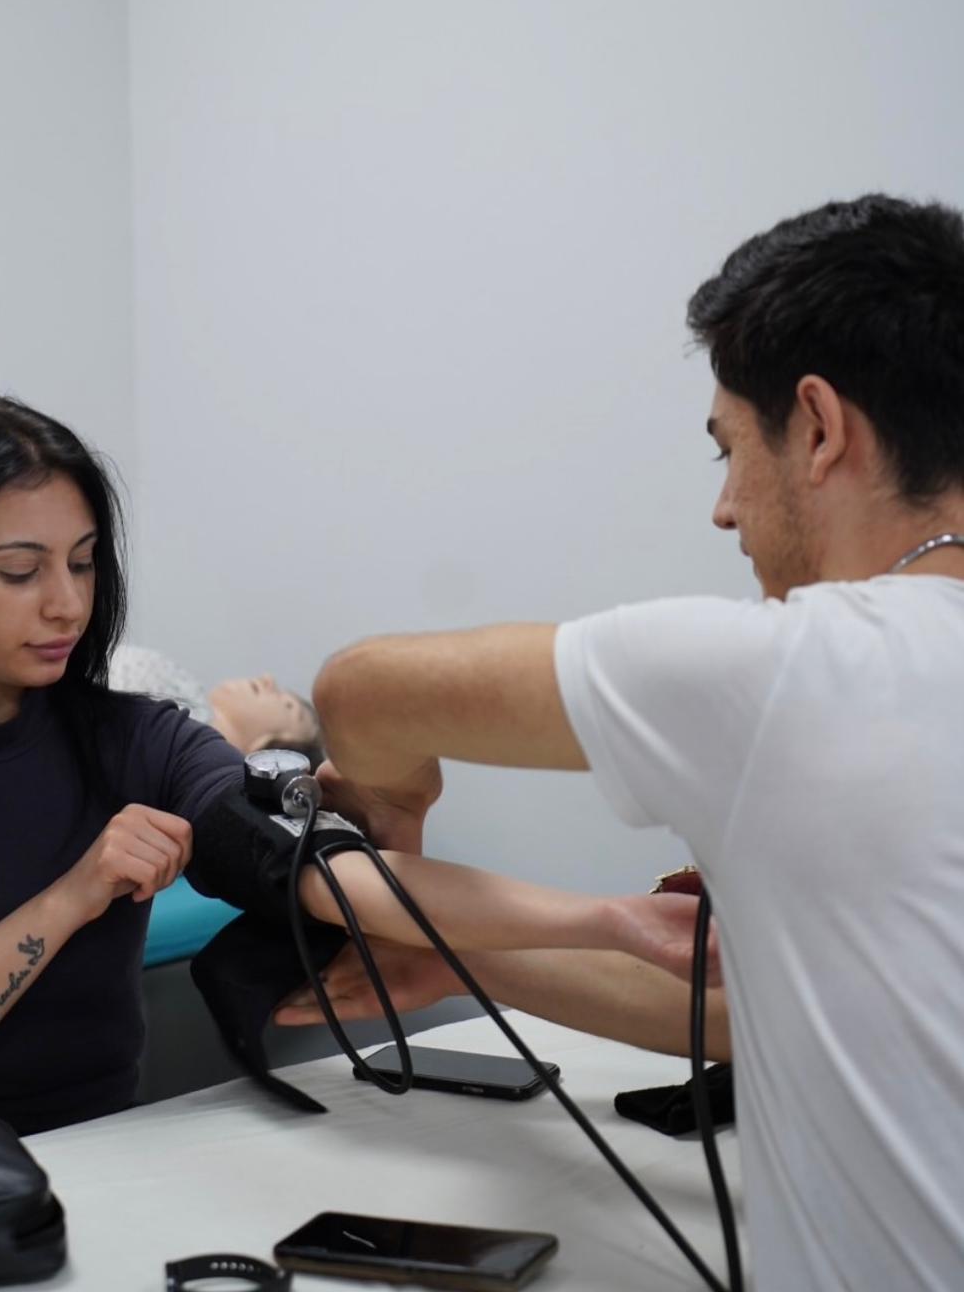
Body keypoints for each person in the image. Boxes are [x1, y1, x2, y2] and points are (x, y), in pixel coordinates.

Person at [0, 395, 704, 1204]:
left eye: (84, 563)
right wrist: (70, 899)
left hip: (95, 1172)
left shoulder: (136, 736)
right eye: (21, 572)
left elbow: (327, 874)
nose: (67, 604)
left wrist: (613, 922)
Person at [293, 195, 964, 1292]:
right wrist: (462, 951)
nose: (724, 509)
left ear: (819, 427)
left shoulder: (796, 672)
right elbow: (782, 1020)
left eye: (729, 450)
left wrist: (395, 807)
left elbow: (356, 694)